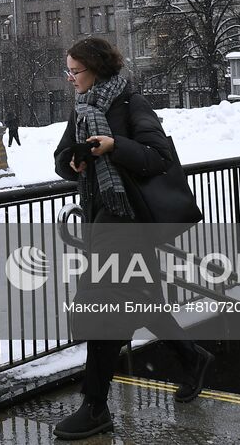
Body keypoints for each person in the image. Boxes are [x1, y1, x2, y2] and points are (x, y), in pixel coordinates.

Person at [50, 36, 214, 440]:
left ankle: (94, 407)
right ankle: (191, 358)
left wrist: (114, 146)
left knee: (101, 310)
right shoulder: (83, 108)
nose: (70, 78)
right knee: (142, 301)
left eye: (76, 71)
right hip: (103, 220)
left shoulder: (131, 103)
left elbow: (158, 157)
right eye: (68, 71)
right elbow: (62, 160)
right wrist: (74, 159)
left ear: (97, 69)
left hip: (129, 221)